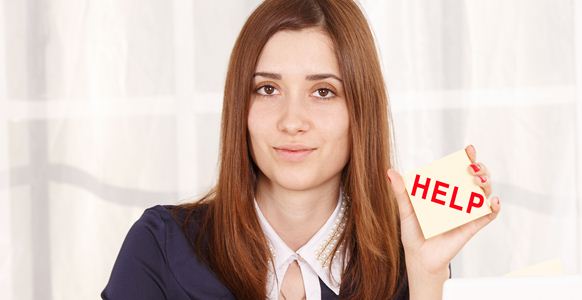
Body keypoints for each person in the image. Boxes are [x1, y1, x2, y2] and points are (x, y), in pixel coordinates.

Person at [101, 0, 501, 299]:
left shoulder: (408, 259)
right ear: (240, 106)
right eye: (268, 89)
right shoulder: (161, 247)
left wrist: (428, 280)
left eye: (323, 92)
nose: (292, 121)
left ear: (360, 111)